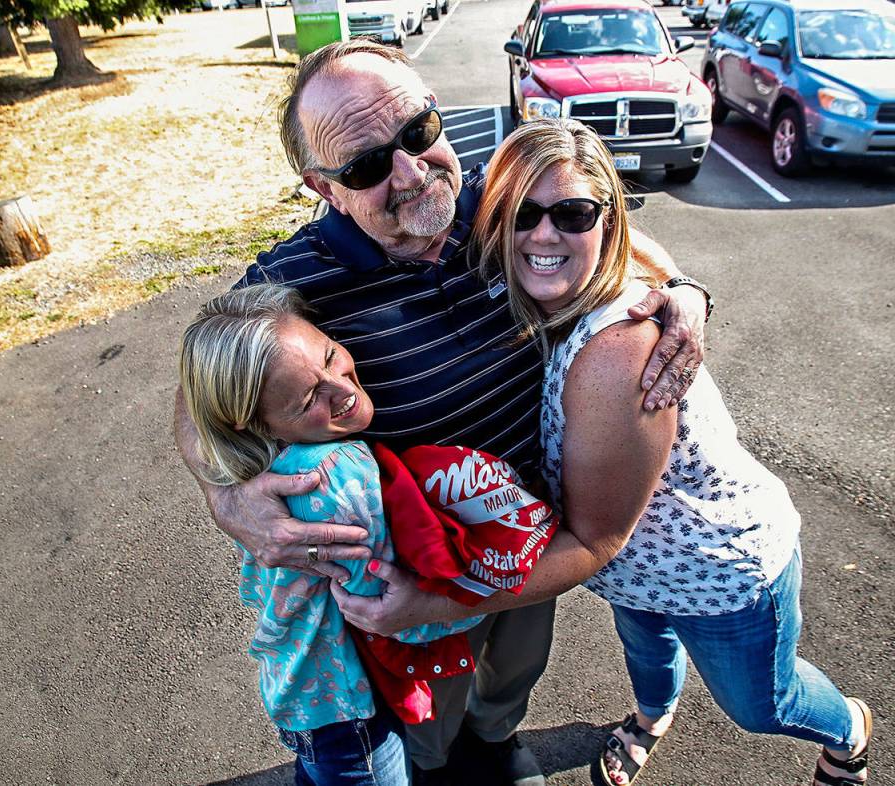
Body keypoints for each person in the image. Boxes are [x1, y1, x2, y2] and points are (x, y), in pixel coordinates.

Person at [173, 39, 713, 786]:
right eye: (365, 167)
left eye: (419, 132)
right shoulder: (292, 277)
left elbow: (600, 224)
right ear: (324, 189)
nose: (410, 171)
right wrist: (226, 496)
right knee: (428, 711)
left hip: (525, 528)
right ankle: (438, 763)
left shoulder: (490, 202)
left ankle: (497, 741)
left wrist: (684, 285)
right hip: (418, 557)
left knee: (514, 669)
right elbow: (198, 386)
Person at [335, 118, 873, 786]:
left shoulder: (617, 356)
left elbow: (596, 541)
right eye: (522, 214)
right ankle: (651, 718)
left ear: (607, 222)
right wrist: (683, 283)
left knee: (763, 704)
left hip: (716, 573)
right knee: (649, 657)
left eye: (573, 214)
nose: (544, 233)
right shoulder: (546, 286)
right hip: (637, 574)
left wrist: (428, 605)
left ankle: (848, 731)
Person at [178, 283, 560, 784]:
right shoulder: (335, 477)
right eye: (309, 397)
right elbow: (384, 608)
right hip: (346, 696)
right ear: (254, 421)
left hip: (302, 685)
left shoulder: (270, 467)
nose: (343, 389)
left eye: (332, 355)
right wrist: (459, 605)